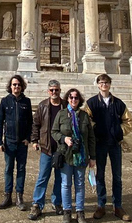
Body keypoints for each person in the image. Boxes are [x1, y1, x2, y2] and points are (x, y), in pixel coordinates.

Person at [85, 74, 132, 221]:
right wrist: (96, 131)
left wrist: (118, 132)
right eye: (101, 82)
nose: (104, 85)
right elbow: (86, 121)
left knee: (117, 176)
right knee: (100, 175)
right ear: (98, 85)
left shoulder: (118, 103)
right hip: (100, 144)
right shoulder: (92, 103)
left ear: (110, 84)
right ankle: (101, 205)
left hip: (114, 144)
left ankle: (117, 206)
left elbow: (128, 121)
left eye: (106, 82)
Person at [51, 88, 96, 223]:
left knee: (80, 184)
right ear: (68, 99)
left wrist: (92, 157)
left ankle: (80, 212)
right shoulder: (61, 114)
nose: (73, 100)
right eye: (71, 97)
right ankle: (67, 211)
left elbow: (91, 138)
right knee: (66, 184)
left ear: (79, 100)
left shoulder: (84, 116)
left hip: (81, 155)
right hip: (66, 154)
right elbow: (54, 131)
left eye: (76, 98)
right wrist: (64, 138)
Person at [28, 80, 68, 220]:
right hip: (46, 148)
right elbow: (36, 124)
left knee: (59, 178)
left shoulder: (66, 105)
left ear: (60, 90)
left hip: (62, 150)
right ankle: (37, 204)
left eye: (56, 90)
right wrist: (34, 140)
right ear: (48, 91)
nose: (54, 92)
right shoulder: (42, 105)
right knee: (43, 177)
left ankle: (57, 202)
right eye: (51, 90)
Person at [0, 74, 33, 211]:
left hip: (22, 142)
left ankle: (19, 197)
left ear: (22, 86)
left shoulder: (26, 102)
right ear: (10, 86)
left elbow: (30, 122)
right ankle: (7, 196)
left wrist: (28, 138)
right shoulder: (5, 101)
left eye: (18, 84)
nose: (16, 86)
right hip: (9, 142)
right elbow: (0, 122)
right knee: (8, 169)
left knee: (21, 169)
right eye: (14, 84)